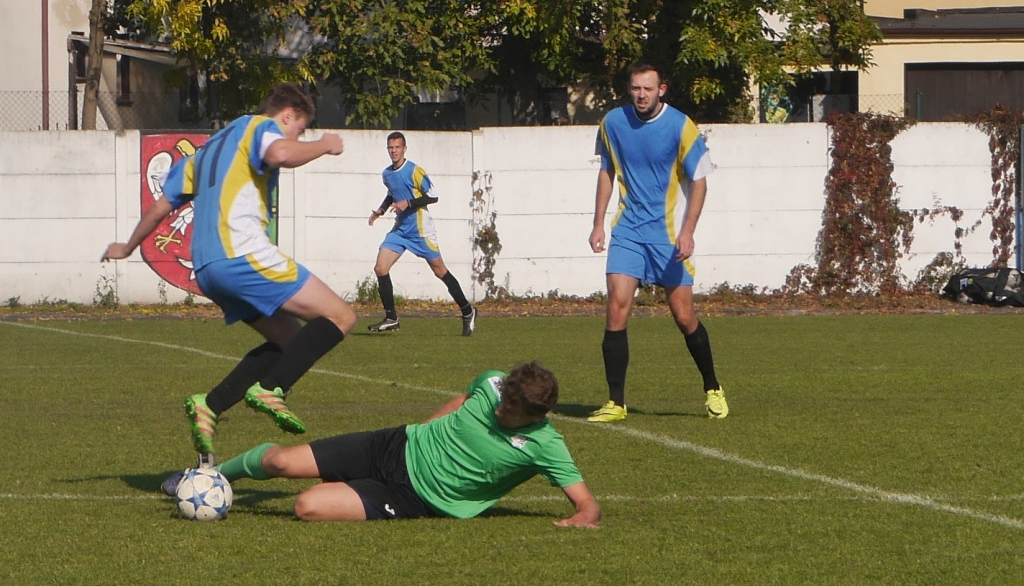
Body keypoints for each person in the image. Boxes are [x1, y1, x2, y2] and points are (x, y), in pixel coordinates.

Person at [102, 83, 356, 457]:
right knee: (341, 315)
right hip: (242, 254)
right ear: (287, 115)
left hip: (207, 270)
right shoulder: (258, 127)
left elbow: (161, 206)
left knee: (290, 341)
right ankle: (272, 389)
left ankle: (211, 405)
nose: (299, 135)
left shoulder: (207, 152)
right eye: (300, 127)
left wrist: (127, 246)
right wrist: (324, 145)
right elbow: (281, 152)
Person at [163, 362, 601, 528]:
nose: (499, 410)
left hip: (412, 496)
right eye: (502, 402)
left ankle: (209, 479)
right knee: (278, 461)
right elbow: (466, 398)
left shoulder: (546, 445)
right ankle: (207, 476)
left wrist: (582, 518)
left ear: (536, 415)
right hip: (392, 444)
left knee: (307, 507)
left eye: (510, 412)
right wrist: (428, 425)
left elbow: (587, 504)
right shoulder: (493, 385)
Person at [587, 63, 727, 422]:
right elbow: (607, 170)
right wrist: (598, 223)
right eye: (635, 88)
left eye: (648, 89)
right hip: (628, 232)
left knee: (684, 317)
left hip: (667, 237)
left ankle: (712, 387)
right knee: (617, 307)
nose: (641, 95)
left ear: (661, 89)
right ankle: (616, 403)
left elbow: (700, 182)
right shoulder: (613, 123)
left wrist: (688, 231)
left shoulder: (681, 126)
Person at [366, 131, 477, 336]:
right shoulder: (387, 174)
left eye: (397, 147)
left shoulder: (414, 170)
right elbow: (391, 194)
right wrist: (380, 211)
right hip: (400, 231)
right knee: (381, 268)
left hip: (420, 230)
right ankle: (391, 318)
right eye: (390, 147)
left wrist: (408, 203)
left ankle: (467, 310)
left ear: (404, 149)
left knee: (439, 271)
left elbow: (433, 195)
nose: (393, 151)